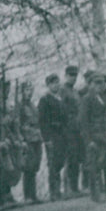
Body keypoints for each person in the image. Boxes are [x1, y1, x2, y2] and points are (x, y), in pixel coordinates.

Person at [78, 72, 106, 203]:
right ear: (90, 84)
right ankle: (95, 195)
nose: (100, 85)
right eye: (96, 83)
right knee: (94, 166)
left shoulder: (102, 98)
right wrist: (89, 140)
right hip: (94, 137)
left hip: (105, 136)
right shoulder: (87, 99)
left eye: (102, 82)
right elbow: (83, 122)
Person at [37, 74, 69, 202]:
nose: (56, 85)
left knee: (60, 161)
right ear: (48, 85)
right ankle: (54, 191)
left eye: (57, 82)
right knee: (53, 162)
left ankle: (58, 189)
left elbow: (65, 117)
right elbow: (42, 121)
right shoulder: (44, 100)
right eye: (53, 83)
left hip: (61, 134)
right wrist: (47, 139)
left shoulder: (60, 99)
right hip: (52, 134)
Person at [17, 81, 43, 203]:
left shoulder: (32, 105)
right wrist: (22, 139)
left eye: (31, 90)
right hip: (27, 139)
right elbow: (18, 124)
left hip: (36, 138)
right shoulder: (20, 106)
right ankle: (27, 196)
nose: (29, 93)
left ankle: (33, 195)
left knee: (35, 166)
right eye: (27, 90)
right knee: (28, 167)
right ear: (22, 91)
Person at [59, 65, 83, 196]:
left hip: (76, 128)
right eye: (71, 75)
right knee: (70, 157)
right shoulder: (63, 90)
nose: (74, 78)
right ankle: (67, 188)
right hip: (68, 129)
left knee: (76, 157)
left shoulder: (75, 91)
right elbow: (61, 110)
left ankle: (75, 187)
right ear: (66, 75)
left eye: (75, 76)